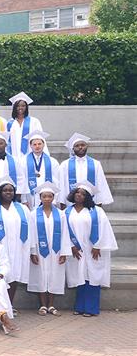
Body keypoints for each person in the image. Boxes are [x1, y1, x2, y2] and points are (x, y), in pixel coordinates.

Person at [65, 183, 118, 317]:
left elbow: (104, 229)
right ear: (73, 194)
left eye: (83, 194)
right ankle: (79, 307)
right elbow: (63, 232)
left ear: (88, 197)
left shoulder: (97, 211)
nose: (79, 195)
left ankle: (91, 309)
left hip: (93, 249)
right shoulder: (66, 211)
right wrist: (71, 246)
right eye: (77, 192)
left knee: (93, 278)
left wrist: (97, 246)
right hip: (76, 250)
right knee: (80, 277)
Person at [27, 182, 71, 316]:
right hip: (40, 250)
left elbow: (65, 233)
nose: (47, 199)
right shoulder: (33, 214)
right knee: (40, 275)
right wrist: (33, 252)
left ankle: (51, 305)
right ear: (40, 198)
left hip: (56, 250)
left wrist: (64, 252)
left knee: (54, 276)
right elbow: (31, 233)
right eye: (44, 196)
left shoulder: (61, 214)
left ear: (53, 198)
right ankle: (42, 305)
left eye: (49, 196)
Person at [0, 176, 31, 307]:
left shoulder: (22, 209)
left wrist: (33, 250)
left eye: (11, 190)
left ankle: (9, 305)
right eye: (5, 190)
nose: (8, 192)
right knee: (0, 276)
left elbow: (31, 230)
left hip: (18, 248)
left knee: (13, 276)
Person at [60, 133, 113, 206]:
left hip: (91, 201)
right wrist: (62, 201)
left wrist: (99, 201)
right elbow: (62, 185)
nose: (80, 147)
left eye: (82, 145)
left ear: (87, 146)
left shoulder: (95, 164)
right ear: (73, 148)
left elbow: (101, 183)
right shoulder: (65, 165)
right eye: (77, 146)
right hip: (71, 203)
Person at [23, 130, 60, 207]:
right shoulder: (23, 161)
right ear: (31, 146)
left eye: (39, 144)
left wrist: (55, 199)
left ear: (43, 145)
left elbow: (57, 181)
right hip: (30, 197)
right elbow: (22, 180)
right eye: (34, 144)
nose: (37, 146)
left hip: (48, 198)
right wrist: (24, 200)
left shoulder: (53, 161)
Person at [8, 92, 46, 162]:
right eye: (18, 106)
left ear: (26, 107)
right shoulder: (10, 123)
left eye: (23, 106)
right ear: (14, 107)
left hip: (30, 155)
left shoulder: (34, 121)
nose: (20, 108)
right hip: (14, 156)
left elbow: (40, 139)